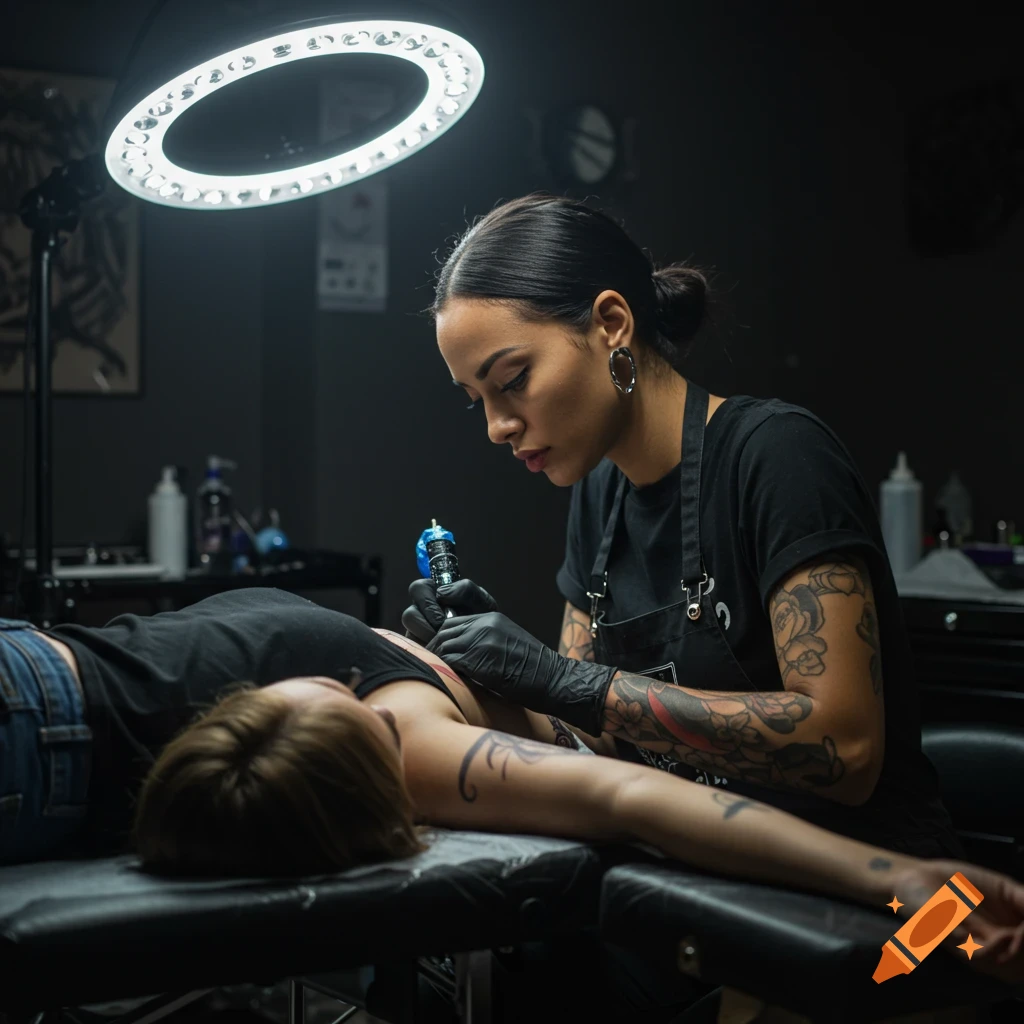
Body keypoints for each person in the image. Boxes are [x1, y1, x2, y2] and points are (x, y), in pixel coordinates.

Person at [403, 192, 957, 860]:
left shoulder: (777, 456)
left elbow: (846, 749)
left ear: (612, 322)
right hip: (715, 874)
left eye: (514, 380)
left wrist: (564, 681)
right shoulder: (599, 493)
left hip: (902, 903)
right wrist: (499, 676)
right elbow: (596, 741)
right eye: (480, 402)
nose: (499, 427)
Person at [130, 604, 1024, 1004]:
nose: (321, 680)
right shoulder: (406, 741)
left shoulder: (304, 727)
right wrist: (906, 881)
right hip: (778, 802)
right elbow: (638, 798)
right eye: (317, 699)